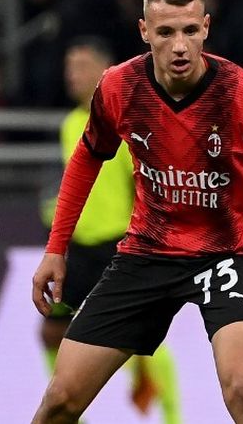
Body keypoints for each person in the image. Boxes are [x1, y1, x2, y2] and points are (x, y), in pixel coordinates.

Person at [31, 0, 243, 424]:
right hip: (147, 252)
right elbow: (86, 160)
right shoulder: (118, 87)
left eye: (189, 30)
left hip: (227, 254)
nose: (180, 45)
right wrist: (56, 248)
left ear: (206, 27)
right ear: (145, 32)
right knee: (60, 400)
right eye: (165, 32)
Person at [38, 37, 182, 423]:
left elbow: (143, 184)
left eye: (81, 66)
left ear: (103, 71)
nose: (72, 74)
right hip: (82, 252)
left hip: (119, 248)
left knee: (140, 339)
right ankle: (72, 414)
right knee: (53, 331)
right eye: (69, 67)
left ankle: (173, 417)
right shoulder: (69, 123)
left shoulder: (125, 121)